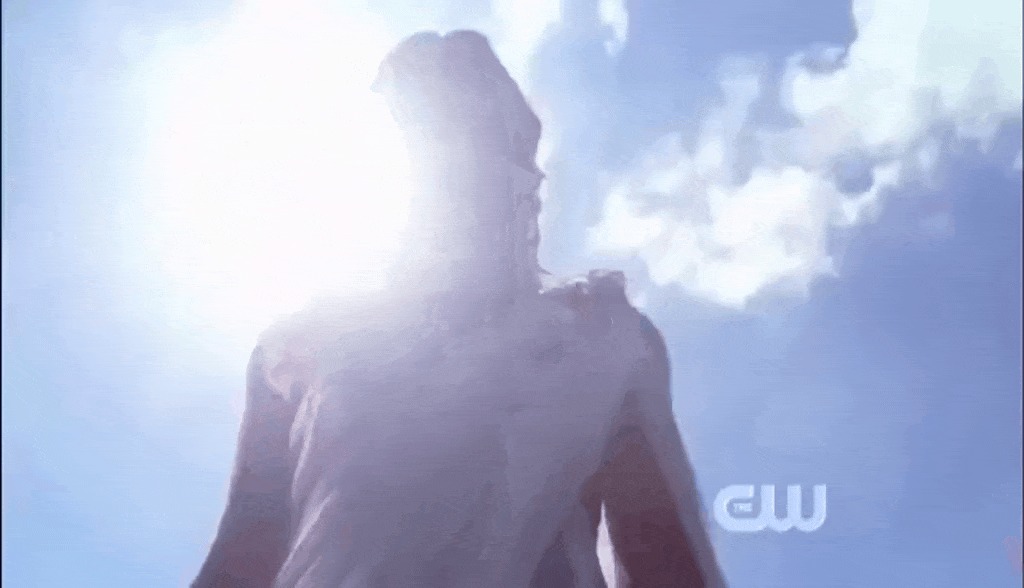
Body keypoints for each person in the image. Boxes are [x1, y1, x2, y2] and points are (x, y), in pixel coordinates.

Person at [191, 30, 727, 588]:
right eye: (451, 137)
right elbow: (243, 553)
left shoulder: (601, 337)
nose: (492, 177)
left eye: (507, 145)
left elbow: (665, 561)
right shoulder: (303, 346)